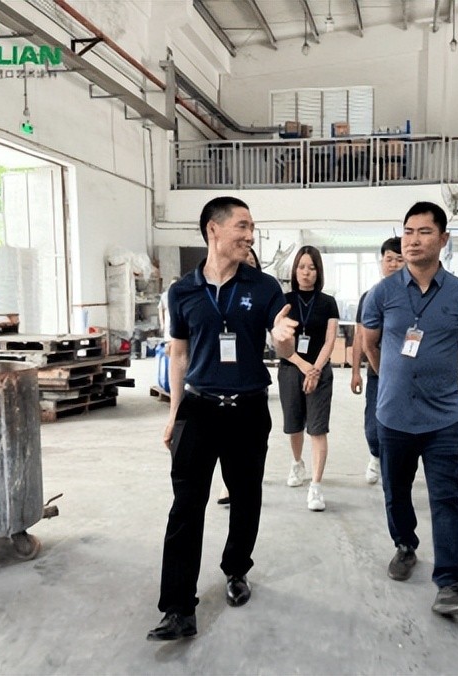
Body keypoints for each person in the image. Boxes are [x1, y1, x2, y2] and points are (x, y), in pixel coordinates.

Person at [147, 196, 297, 641]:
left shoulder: (265, 287)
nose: (250, 235)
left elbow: (283, 346)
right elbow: (179, 355)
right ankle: (178, 608)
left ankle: (236, 569)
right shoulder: (182, 292)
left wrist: (283, 340)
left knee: (246, 498)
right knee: (185, 507)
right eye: (242, 226)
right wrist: (174, 415)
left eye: (252, 227)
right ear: (213, 229)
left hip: (248, 409)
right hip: (198, 408)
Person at [361, 201, 458, 617]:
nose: (413, 240)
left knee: (446, 497)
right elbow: (370, 343)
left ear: (443, 239)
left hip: (443, 417)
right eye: (408, 232)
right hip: (393, 415)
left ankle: (449, 583)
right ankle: (405, 545)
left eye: (424, 232)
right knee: (395, 492)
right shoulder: (382, 293)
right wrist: (392, 380)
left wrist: (443, 377)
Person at [279, 245, 339, 511]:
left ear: (318, 272)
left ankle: (316, 486)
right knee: (293, 425)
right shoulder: (284, 301)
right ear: (295, 271)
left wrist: (315, 369)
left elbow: (329, 340)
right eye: (301, 267)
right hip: (291, 368)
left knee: (317, 428)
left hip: (320, 370)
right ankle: (297, 463)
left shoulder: (328, 302)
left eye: (311, 268)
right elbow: (280, 343)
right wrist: (303, 366)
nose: (306, 272)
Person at [350, 237, 404, 484]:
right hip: (376, 372)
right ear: (381, 262)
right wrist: (355, 372)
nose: (393, 264)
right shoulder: (370, 296)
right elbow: (360, 336)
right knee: (373, 426)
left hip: (406, 373)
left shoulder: (415, 296)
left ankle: (394, 467)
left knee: (401, 427)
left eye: (399, 259)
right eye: (388, 259)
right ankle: (375, 455)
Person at [216, 246, 260, 508]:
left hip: (249, 381)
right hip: (220, 378)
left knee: (248, 446)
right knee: (224, 438)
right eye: (245, 261)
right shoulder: (223, 292)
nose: (247, 265)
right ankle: (226, 483)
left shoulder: (262, 293)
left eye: (251, 262)